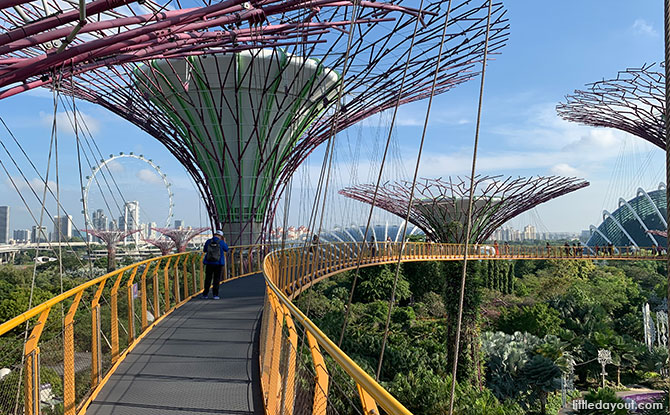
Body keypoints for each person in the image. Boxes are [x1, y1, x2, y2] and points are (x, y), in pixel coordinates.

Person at [202, 230, 229, 299]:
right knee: (216, 279)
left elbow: (204, 250)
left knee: (208, 278)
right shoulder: (221, 242)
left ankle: (205, 294)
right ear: (221, 236)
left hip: (209, 263)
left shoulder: (208, 241)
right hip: (219, 263)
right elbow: (226, 249)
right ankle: (215, 295)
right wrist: (224, 242)